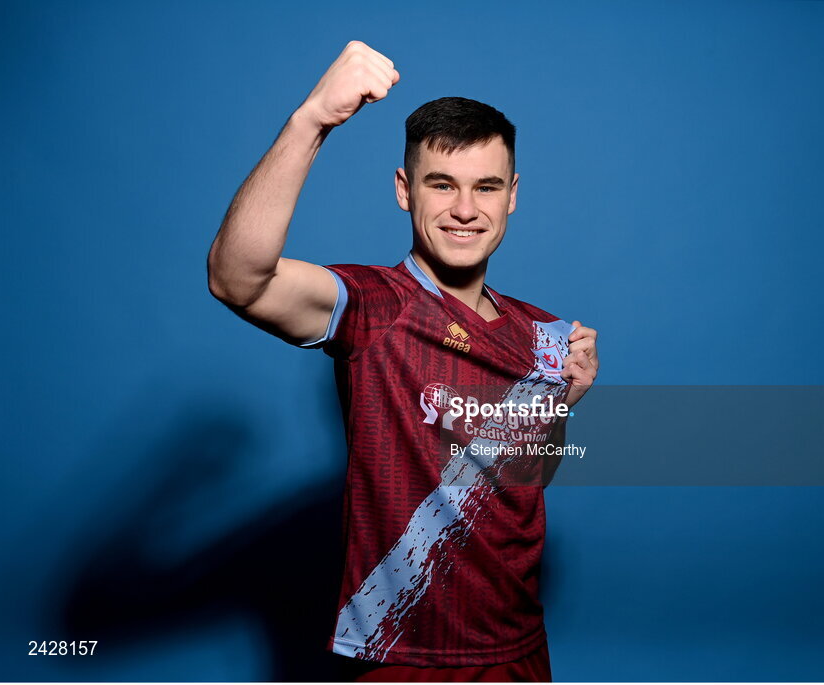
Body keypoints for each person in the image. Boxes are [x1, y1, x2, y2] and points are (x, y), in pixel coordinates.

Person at [207, 40, 599, 682]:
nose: (466, 209)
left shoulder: (545, 334)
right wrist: (314, 120)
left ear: (512, 196)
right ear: (403, 190)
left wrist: (560, 402)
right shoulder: (376, 307)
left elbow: (511, 484)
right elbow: (238, 279)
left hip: (520, 653)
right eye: (441, 185)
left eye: (486, 187)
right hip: (404, 658)